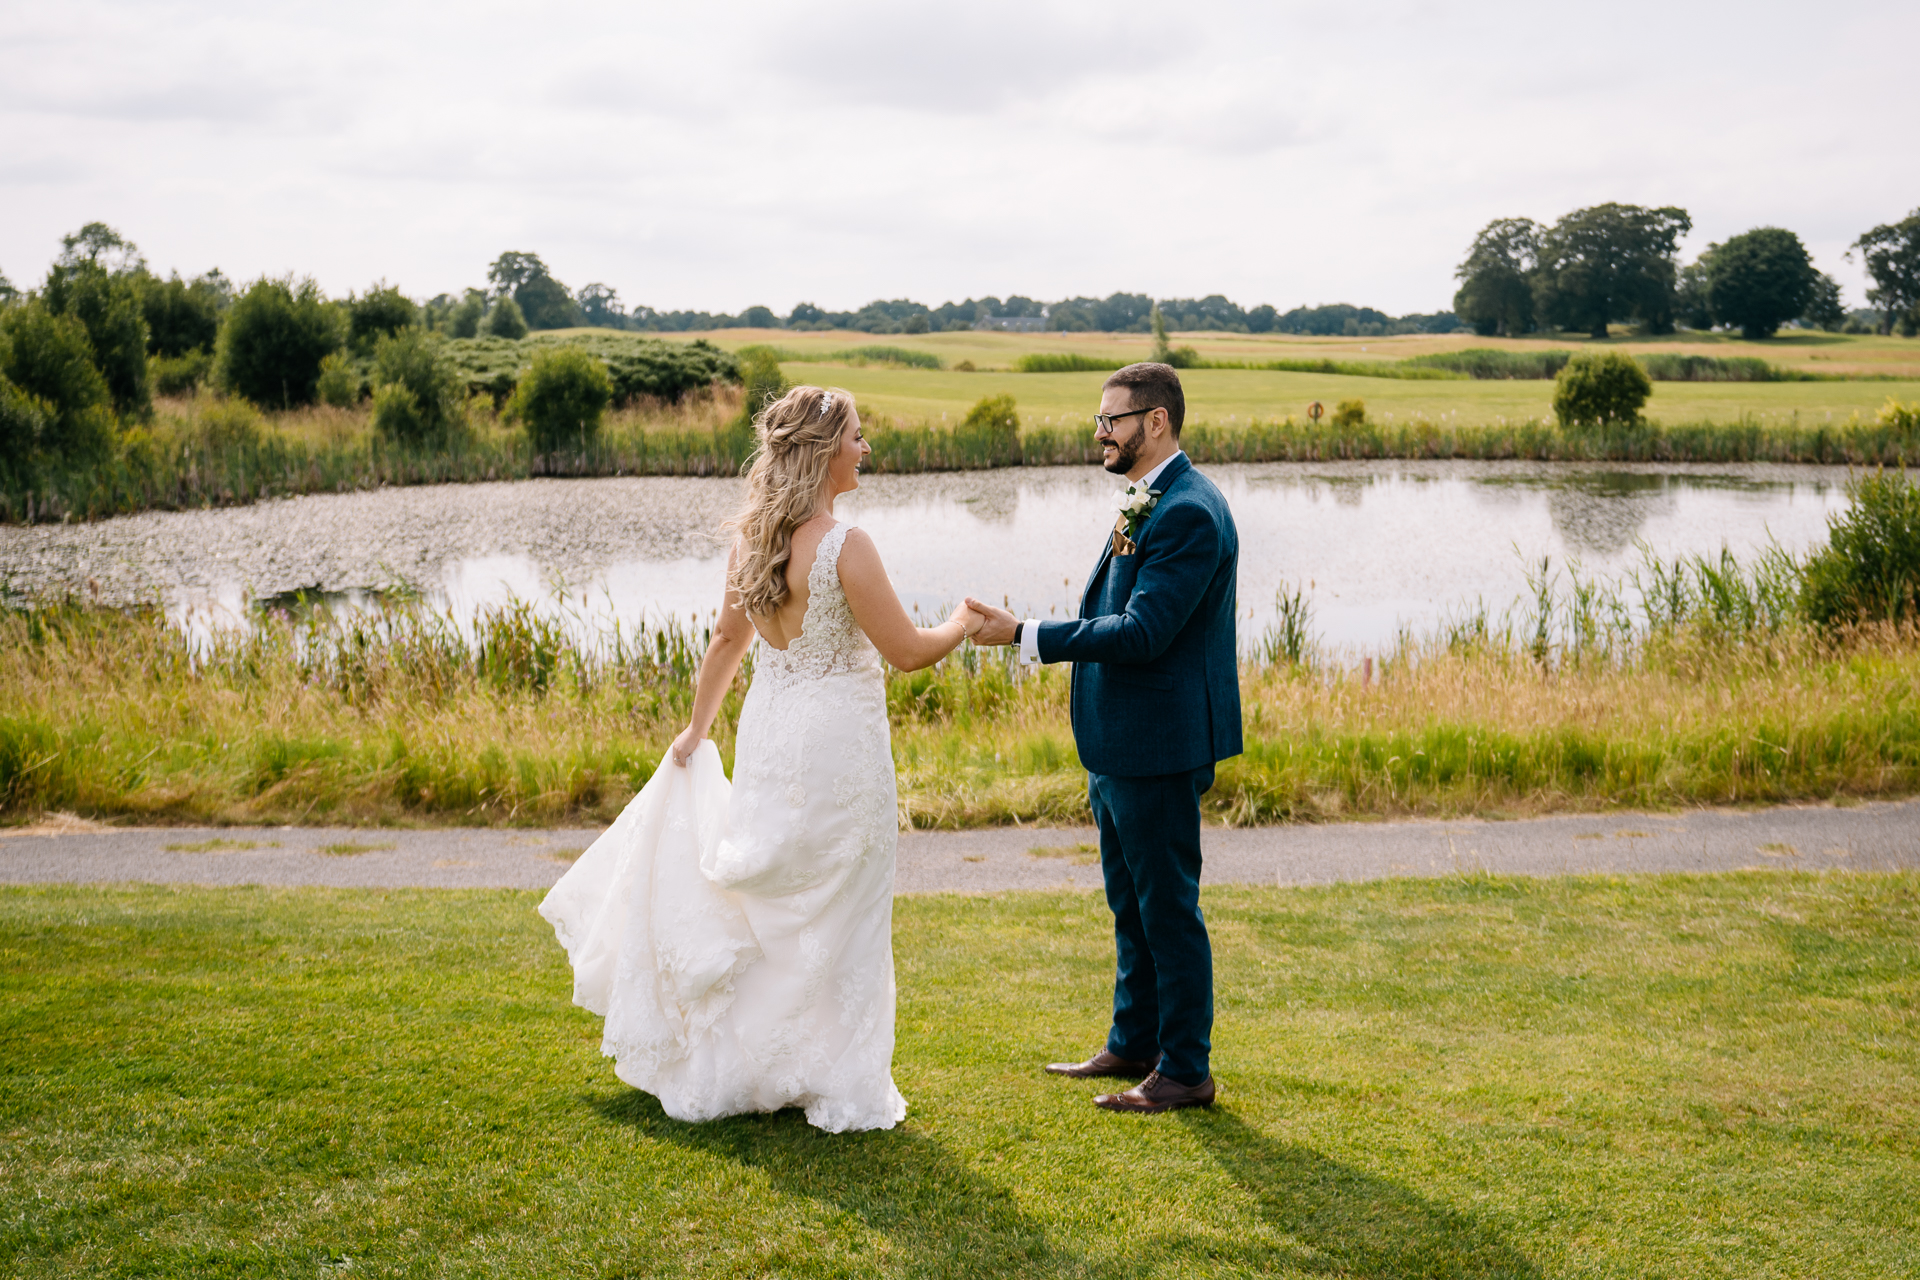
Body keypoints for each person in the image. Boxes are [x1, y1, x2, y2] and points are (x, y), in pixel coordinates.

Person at [540, 385, 983, 1133]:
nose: (865, 448)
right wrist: (963, 622)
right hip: (840, 744)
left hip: (772, 736)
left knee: (776, 898)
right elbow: (907, 653)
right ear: (822, 451)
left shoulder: (753, 540)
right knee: (843, 902)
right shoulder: (847, 545)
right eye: (856, 437)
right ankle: (834, 1078)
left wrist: (696, 729)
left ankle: (764, 1062)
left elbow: (726, 643)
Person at [967, 362, 1240, 1114]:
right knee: (1131, 902)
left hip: (1158, 745)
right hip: (1121, 744)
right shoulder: (1152, 500)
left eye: (1110, 421)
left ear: (1155, 422)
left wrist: (1025, 633)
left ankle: (1185, 1069)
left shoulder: (1188, 510)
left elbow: (1146, 632)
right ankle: (1134, 1041)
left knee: (1167, 908)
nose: (1099, 434)